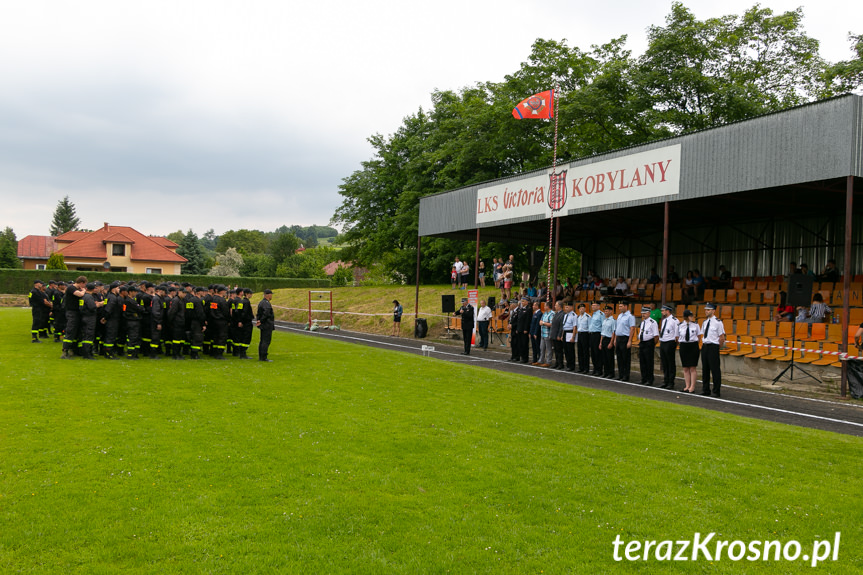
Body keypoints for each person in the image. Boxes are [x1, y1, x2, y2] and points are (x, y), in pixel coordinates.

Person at [700, 302, 725, 397]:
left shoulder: (718, 322)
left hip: (713, 346)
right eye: (706, 309)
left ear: (713, 311)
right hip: (705, 346)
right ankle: (705, 389)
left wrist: (716, 347)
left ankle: (716, 390)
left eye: (708, 310)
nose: (706, 311)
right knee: (705, 369)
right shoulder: (705, 322)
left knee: (715, 370)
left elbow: (721, 337)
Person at [61, 276, 87, 359]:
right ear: (81, 283)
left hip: (77, 313)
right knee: (70, 331)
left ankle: (74, 350)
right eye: (84, 285)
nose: (84, 287)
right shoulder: (71, 288)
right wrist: (84, 291)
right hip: (71, 312)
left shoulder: (77, 288)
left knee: (77, 332)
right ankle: (65, 351)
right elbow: (79, 295)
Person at [678, 310, 702, 393]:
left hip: (693, 346)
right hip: (684, 346)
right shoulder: (680, 325)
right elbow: (678, 336)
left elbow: (699, 336)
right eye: (690, 316)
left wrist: (695, 344)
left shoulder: (695, 325)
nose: (692, 317)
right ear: (686, 317)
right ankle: (687, 385)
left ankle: (692, 386)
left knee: (692, 367)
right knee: (685, 367)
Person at [657, 305, 679, 389]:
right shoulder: (664, 320)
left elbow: (676, 334)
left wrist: (674, 343)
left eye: (663, 311)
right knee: (664, 363)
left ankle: (671, 382)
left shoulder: (674, 320)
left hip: (670, 342)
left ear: (668, 311)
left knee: (670, 363)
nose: (662, 312)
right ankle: (665, 380)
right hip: (663, 341)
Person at [613, 301, 636, 381]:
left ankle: (626, 375)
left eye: (621, 306)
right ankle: (621, 374)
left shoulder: (630, 316)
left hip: (625, 338)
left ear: (626, 306)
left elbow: (632, 328)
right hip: (619, 337)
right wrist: (615, 339)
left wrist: (629, 341)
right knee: (619, 357)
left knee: (625, 358)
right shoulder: (619, 316)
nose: (620, 308)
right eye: (619, 306)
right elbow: (617, 328)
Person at [637, 305, 659, 386]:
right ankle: (644, 378)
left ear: (649, 313)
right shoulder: (643, 322)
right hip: (642, 342)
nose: (643, 315)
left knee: (649, 362)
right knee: (642, 361)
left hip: (649, 343)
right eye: (642, 313)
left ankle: (649, 379)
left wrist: (652, 344)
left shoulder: (653, 323)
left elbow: (656, 336)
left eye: (645, 313)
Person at [123, 285, 145, 359]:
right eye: (134, 291)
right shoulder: (129, 301)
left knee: (136, 337)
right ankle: (130, 354)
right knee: (132, 337)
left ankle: (135, 353)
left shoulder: (132, 300)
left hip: (134, 321)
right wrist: (139, 308)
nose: (136, 293)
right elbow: (140, 309)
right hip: (132, 321)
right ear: (130, 292)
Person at [256, 289, 275, 361]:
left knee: (263, 340)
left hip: (264, 324)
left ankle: (262, 356)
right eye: (271, 294)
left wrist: (259, 320)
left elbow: (258, 314)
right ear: (268, 295)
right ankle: (263, 356)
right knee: (266, 340)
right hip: (266, 324)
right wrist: (261, 320)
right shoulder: (266, 303)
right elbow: (266, 313)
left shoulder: (262, 302)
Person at [600, 305, 617, 378]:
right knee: (604, 357)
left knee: (609, 357)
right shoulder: (604, 320)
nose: (605, 312)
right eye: (605, 311)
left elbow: (614, 332)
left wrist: (611, 342)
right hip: (604, 339)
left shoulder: (613, 320)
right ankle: (606, 372)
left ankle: (611, 373)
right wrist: (600, 342)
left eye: (607, 311)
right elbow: (602, 332)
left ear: (611, 311)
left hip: (609, 339)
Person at [588, 301, 604, 376]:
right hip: (591, 334)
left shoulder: (601, 314)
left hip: (597, 334)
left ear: (598, 306)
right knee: (593, 353)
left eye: (595, 305)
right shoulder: (593, 314)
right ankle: (595, 368)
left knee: (597, 353)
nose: (593, 307)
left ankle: (599, 369)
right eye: (592, 305)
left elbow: (603, 326)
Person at [549, 300, 565, 370]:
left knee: (559, 350)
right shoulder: (556, 314)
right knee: (556, 350)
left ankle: (560, 364)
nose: (555, 306)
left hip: (557, 335)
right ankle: (557, 362)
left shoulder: (562, 314)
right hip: (554, 334)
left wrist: (559, 335)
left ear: (559, 306)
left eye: (556, 305)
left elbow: (561, 326)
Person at [576, 303, 591, 373]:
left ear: (585, 309)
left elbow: (589, 328)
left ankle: (586, 368)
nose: (581, 310)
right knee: (580, 352)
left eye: (583, 308)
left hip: (585, 334)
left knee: (585, 352)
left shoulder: (588, 317)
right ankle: (581, 367)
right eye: (580, 309)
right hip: (579, 334)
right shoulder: (578, 317)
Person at [538, 302, 555, 367]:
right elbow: (540, 321)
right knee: (542, 348)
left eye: (545, 306)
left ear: (548, 306)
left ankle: (548, 361)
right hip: (543, 333)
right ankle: (541, 360)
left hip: (548, 334)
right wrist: (543, 323)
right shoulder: (544, 313)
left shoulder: (552, 314)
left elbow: (551, 324)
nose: (544, 307)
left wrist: (543, 323)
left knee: (549, 348)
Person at [562, 301, 577, 371]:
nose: (566, 308)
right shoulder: (565, 315)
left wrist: (573, 337)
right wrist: (562, 335)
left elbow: (574, 327)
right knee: (566, 350)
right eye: (565, 307)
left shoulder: (574, 315)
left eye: (567, 307)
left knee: (570, 350)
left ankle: (572, 365)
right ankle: (568, 364)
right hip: (565, 332)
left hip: (570, 332)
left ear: (571, 307)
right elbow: (564, 326)